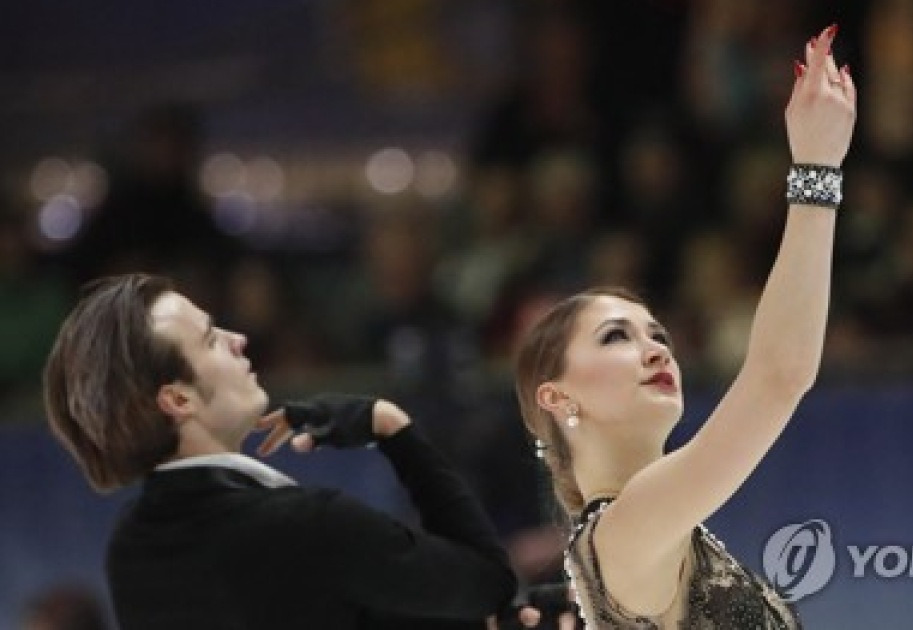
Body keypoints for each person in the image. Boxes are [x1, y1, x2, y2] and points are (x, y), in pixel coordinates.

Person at [513, 25, 855, 628]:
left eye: (658, 335)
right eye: (617, 336)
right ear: (557, 396)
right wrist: (816, 170)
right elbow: (780, 375)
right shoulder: (621, 533)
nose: (654, 349)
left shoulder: (658, 531)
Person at [42, 273, 522, 629]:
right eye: (211, 340)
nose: (238, 340)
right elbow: (486, 585)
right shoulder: (305, 523)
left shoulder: (131, 548)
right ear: (177, 400)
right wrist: (394, 430)